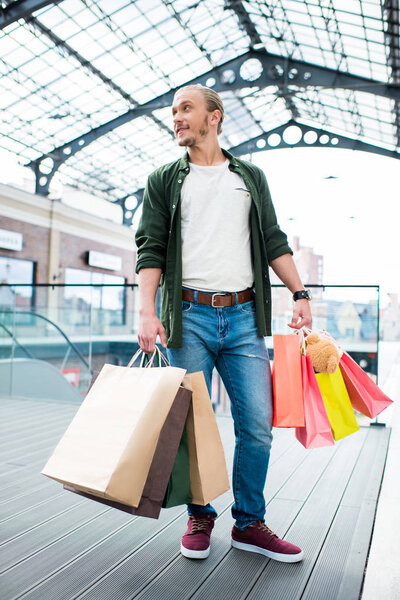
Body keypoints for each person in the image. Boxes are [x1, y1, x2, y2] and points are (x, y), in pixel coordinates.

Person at [135, 84, 312, 562]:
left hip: (241, 316)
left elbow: (273, 239)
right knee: (195, 425)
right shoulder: (164, 180)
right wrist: (147, 310)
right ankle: (201, 513)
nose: (177, 118)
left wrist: (300, 293)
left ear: (215, 117)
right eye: (173, 111)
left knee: (256, 425)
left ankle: (249, 523)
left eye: (186, 109)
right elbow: (150, 247)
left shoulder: (249, 177)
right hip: (187, 316)